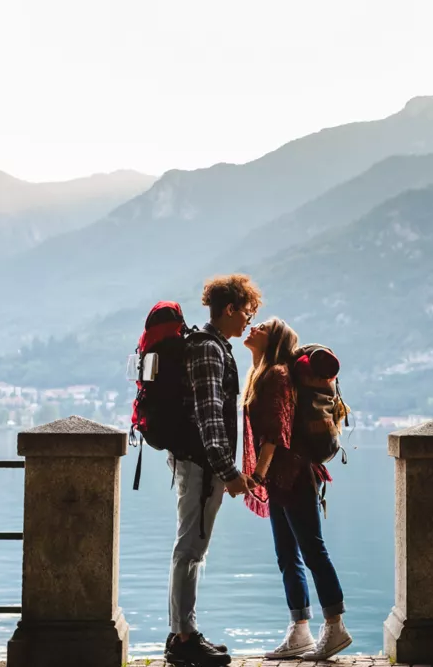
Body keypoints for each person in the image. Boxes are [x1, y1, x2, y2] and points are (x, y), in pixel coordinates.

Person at [239, 317, 352, 661]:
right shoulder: (264, 373)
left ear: (274, 339)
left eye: (262, 326)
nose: (252, 328)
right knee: (287, 555)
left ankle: (335, 627)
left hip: (294, 474)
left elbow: (277, 431)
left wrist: (257, 475)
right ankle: (299, 629)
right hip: (281, 477)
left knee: (311, 549)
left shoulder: (276, 375)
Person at [164, 274, 261, 667]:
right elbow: (210, 418)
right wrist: (228, 472)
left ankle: (183, 631)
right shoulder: (208, 350)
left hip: (200, 463)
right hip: (202, 465)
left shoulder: (215, 346)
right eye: (247, 313)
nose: (249, 322)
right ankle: (183, 639)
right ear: (230, 309)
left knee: (192, 548)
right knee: (190, 548)